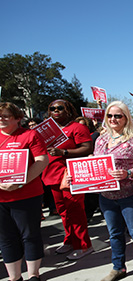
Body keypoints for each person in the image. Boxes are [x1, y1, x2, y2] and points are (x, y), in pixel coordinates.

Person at [94, 101, 133, 281]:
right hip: (106, 196)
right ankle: (118, 267)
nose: (113, 119)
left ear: (126, 118)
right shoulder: (101, 140)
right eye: (110, 115)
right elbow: (95, 164)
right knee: (114, 233)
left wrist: (127, 173)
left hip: (130, 196)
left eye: (118, 116)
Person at [0, 103, 49, 281]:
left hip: (27, 195)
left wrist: (20, 182)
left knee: (30, 235)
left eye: (6, 116)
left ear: (17, 118)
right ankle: (14, 277)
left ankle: (33, 275)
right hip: (1, 198)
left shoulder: (29, 135)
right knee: (6, 238)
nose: (1, 119)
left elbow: (42, 160)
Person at [41, 99, 94, 260]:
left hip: (70, 175)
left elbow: (87, 148)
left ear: (69, 110)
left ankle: (84, 245)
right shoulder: (47, 130)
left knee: (75, 211)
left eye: (60, 108)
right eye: (52, 108)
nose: (56, 110)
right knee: (63, 212)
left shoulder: (78, 127)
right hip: (51, 175)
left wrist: (63, 152)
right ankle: (70, 240)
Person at [75, 116, 101, 222]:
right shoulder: (74, 137)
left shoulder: (95, 136)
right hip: (80, 169)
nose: (81, 128)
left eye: (83, 125)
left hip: (93, 167)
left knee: (92, 195)